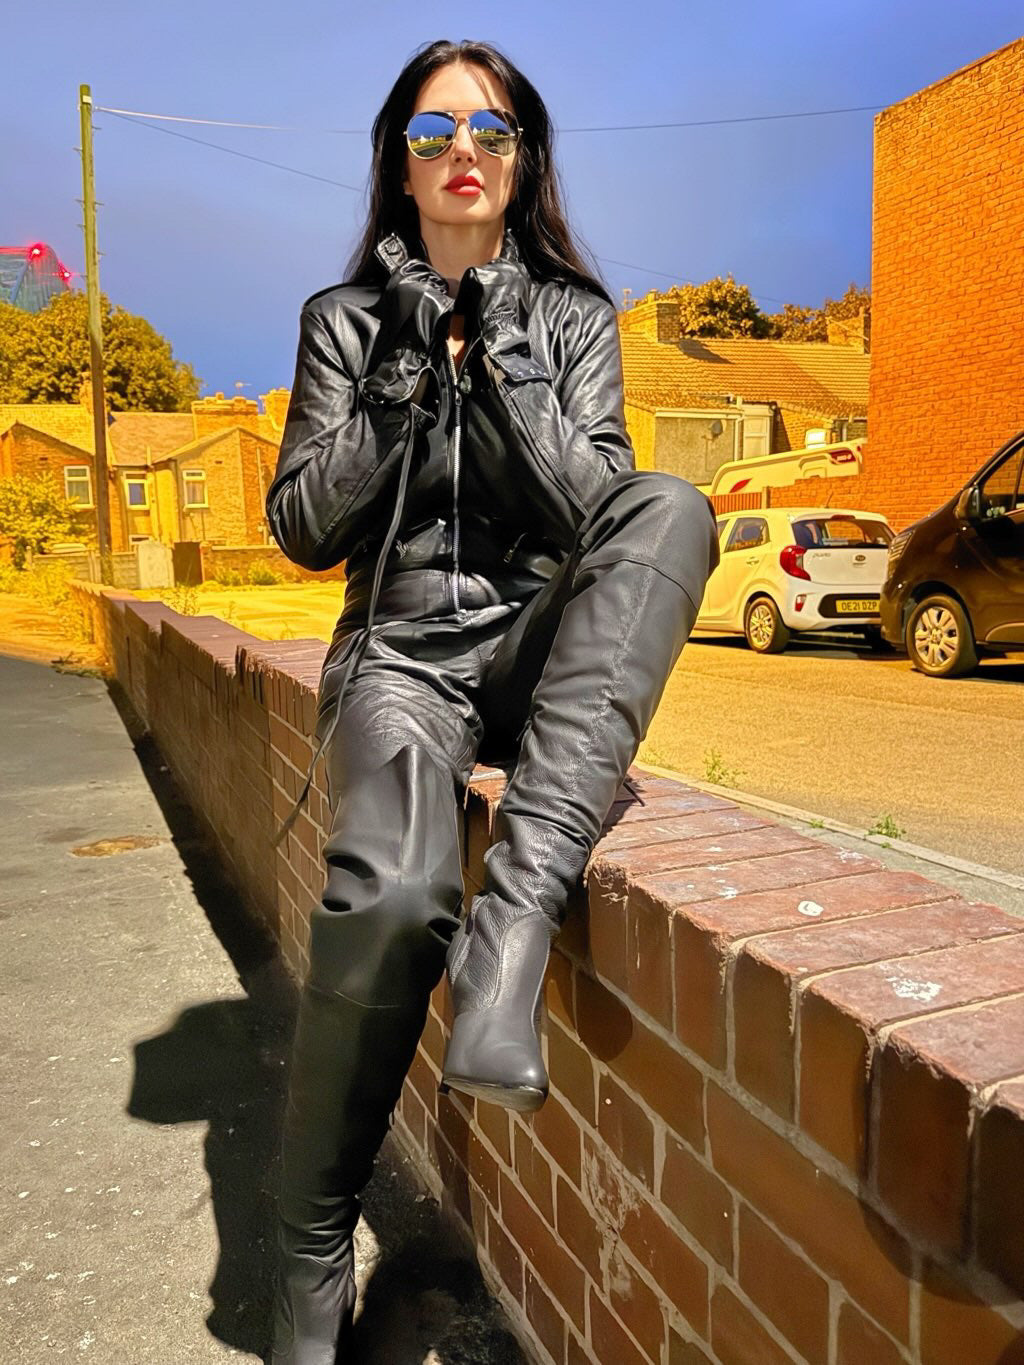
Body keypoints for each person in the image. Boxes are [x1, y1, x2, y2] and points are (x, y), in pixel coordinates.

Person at [263, 37, 721, 1364]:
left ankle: (509, 937)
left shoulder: (575, 318)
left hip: (520, 652)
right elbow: (301, 521)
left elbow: (607, 518)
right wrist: (408, 368)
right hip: (398, 662)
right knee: (396, 893)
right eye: (433, 131)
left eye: (494, 131)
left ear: (522, 166)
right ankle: (307, 1234)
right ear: (398, 165)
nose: (465, 150)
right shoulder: (341, 321)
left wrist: (506, 357)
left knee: (674, 508)